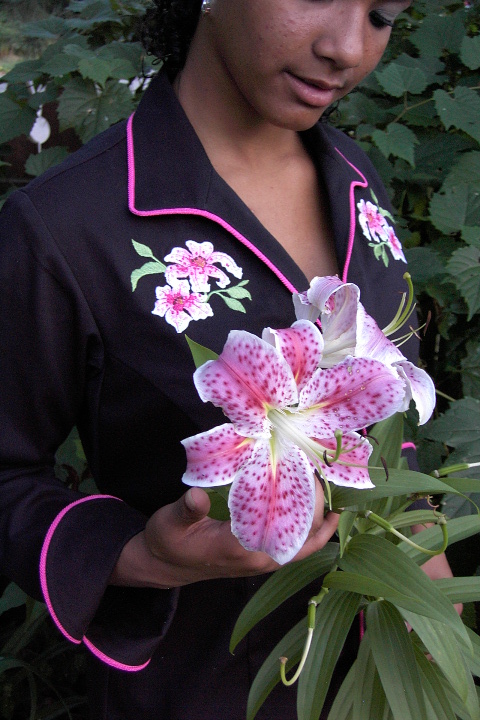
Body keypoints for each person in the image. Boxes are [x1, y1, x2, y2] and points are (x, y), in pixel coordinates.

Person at [0, 1, 457, 718]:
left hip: (384, 676)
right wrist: (137, 556)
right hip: (203, 690)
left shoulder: (354, 176)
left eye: (382, 14)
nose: (348, 47)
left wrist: (434, 603)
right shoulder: (67, 225)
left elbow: (383, 429)